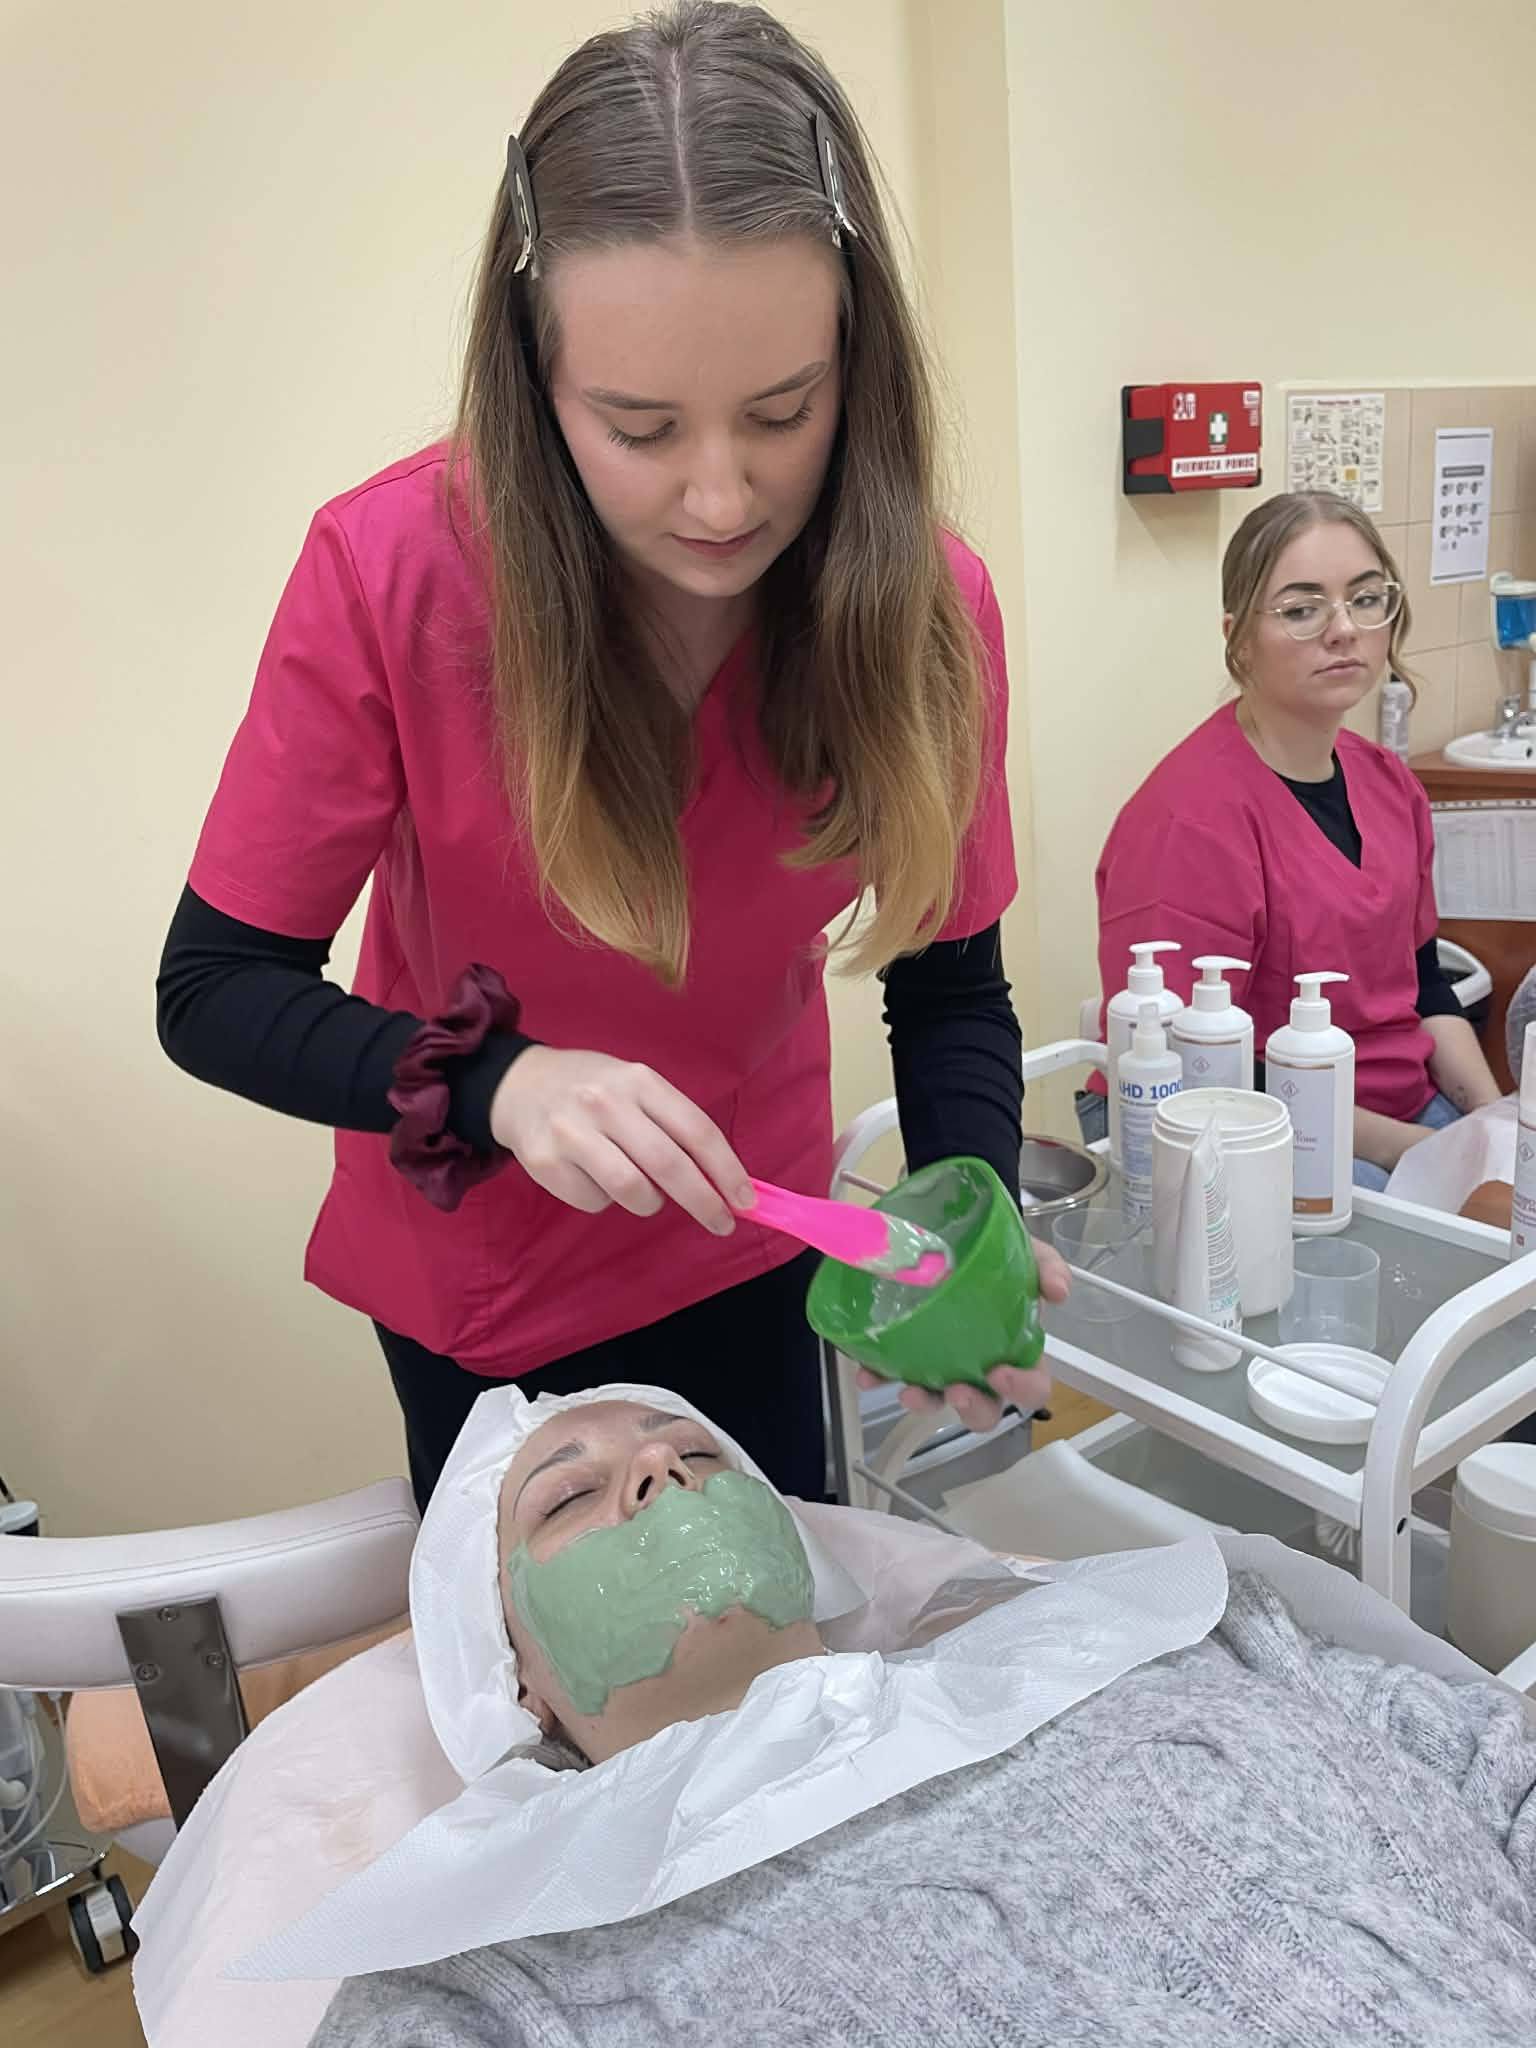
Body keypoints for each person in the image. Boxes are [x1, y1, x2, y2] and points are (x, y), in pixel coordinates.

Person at [155, 1, 1065, 1513]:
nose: (722, 499)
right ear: (535, 376)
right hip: (490, 1297)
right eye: (639, 428)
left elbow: (950, 983)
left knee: (777, 1619)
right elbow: (214, 990)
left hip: (759, 1244)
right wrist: (500, 1083)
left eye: (784, 412)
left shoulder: (928, 608)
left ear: (858, 358)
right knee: (564, 1654)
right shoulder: (396, 574)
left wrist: (964, 1226)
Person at [306, 1394, 1536, 2047]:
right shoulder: (510, 1971)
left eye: (700, 1454)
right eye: (569, 1495)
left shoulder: (1136, 1641)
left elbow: (1497, 1760)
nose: (661, 1470)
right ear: (510, 1675)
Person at [1091, 490, 1503, 1190]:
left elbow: (1427, 989)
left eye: (1365, 599)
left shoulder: (1389, 784)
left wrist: (1494, 1129)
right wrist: (1422, 1154)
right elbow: (1195, 1070)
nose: (1343, 630)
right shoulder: (1189, 820)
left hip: (1405, 1113)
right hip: (1255, 1133)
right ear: (1238, 639)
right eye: (1302, 609)